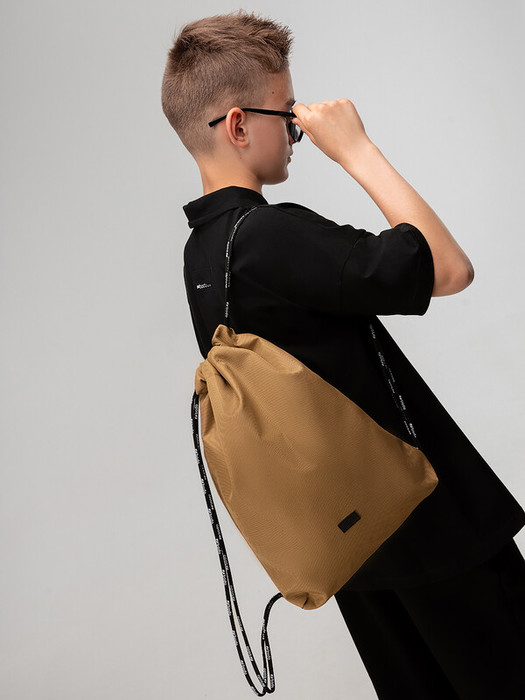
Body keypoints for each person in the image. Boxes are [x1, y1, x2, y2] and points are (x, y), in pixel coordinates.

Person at [161, 9, 525, 698]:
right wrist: (356, 149)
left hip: (352, 545)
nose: (297, 131)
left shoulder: (201, 255)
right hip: (428, 525)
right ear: (238, 125)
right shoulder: (269, 237)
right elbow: (449, 268)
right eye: (287, 113)